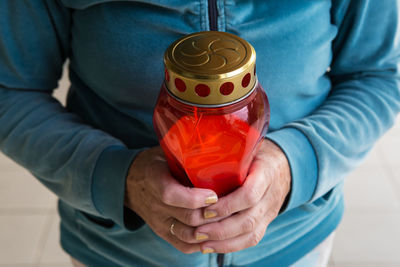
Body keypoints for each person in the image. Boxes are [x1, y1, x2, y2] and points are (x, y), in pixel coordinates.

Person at [0, 1, 399, 266]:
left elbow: (379, 75)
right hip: (118, 253)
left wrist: (293, 167)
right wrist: (119, 180)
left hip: (292, 247)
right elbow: (10, 91)